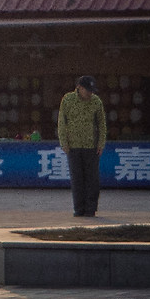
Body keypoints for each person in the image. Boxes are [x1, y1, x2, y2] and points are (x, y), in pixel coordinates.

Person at [56, 75, 107, 218]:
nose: (90, 93)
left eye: (92, 91)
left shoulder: (96, 102)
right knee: (77, 179)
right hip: (73, 146)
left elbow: (101, 125)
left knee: (92, 179)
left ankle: (91, 208)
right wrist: (64, 142)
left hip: (91, 146)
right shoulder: (68, 99)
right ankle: (78, 208)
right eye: (87, 90)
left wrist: (101, 143)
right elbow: (62, 122)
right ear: (79, 87)